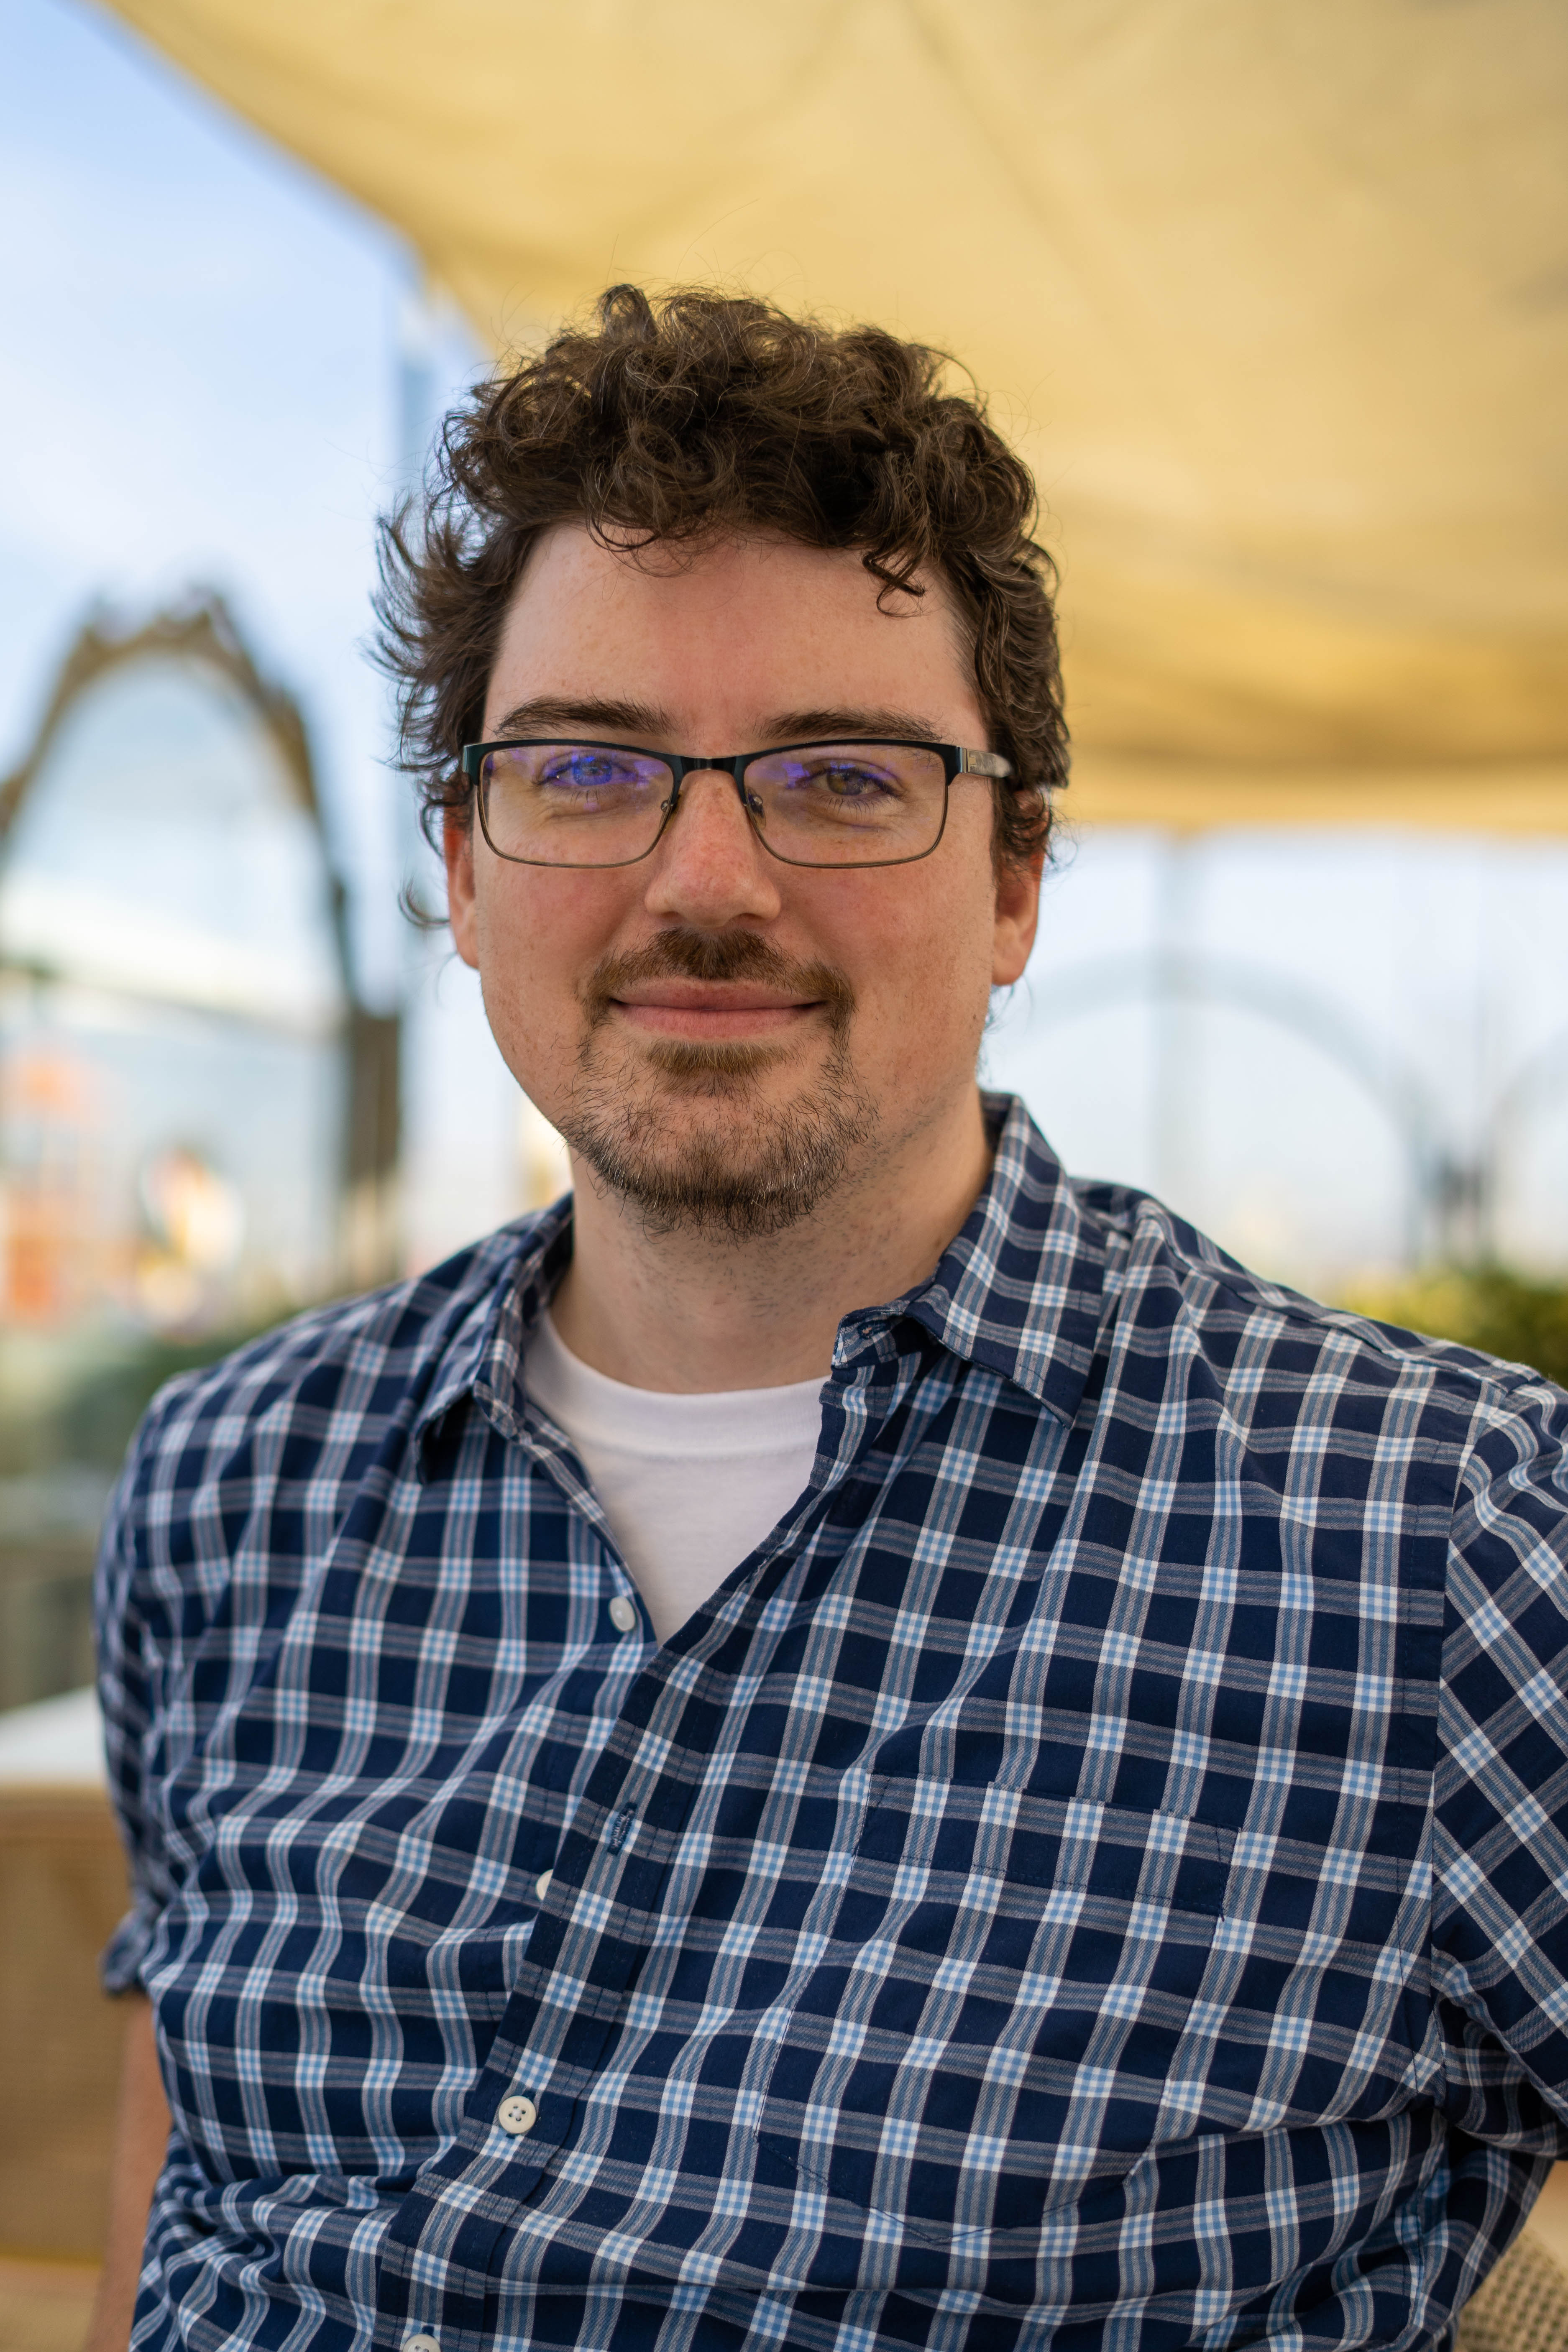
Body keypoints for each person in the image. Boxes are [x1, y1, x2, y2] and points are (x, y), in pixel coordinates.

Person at [90, 285, 1568, 2352]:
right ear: (462, 864)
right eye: (588, 767)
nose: (706, 875)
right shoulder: (231, 1483)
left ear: (1015, 879)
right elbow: (183, 2205)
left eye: (842, 775)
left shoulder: (1451, 1539)